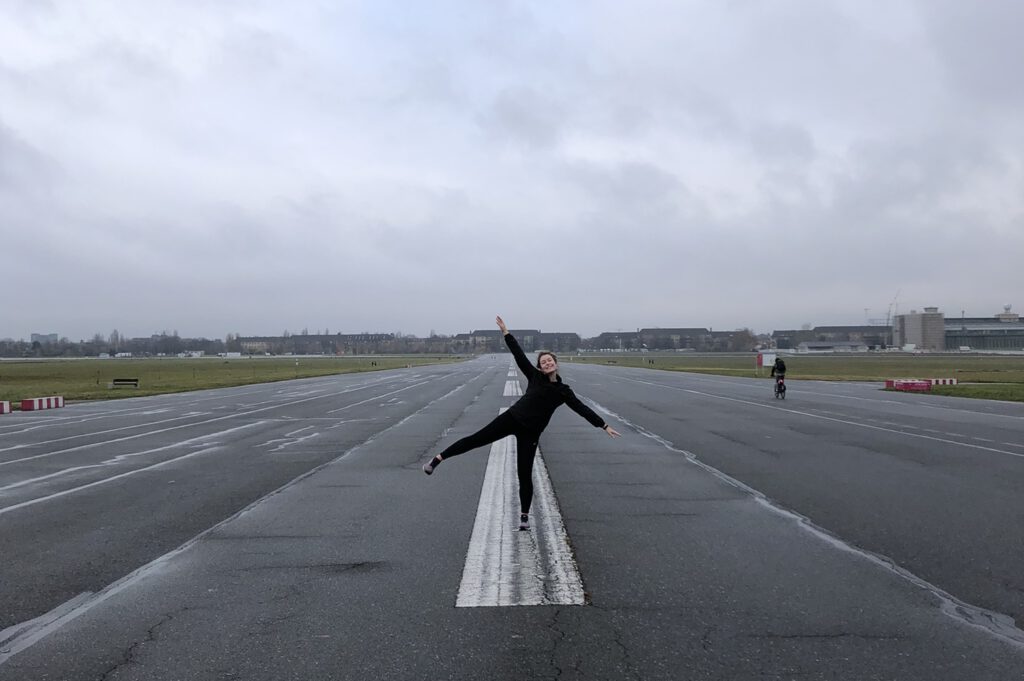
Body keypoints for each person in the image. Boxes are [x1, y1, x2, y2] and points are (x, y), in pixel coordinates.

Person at [423, 315, 621, 530]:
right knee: (476, 439)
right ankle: (437, 459)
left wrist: (603, 425)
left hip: (531, 434)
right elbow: (518, 355)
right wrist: (506, 333)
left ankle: (524, 517)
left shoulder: (564, 392)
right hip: (512, 419)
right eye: (543, 362)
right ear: (540, 366)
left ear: (556, 363)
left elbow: (582, 409)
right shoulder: (534, 376)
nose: (546, 363)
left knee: (524, 474)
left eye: (549, 361)